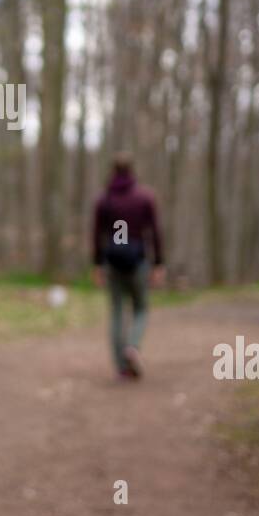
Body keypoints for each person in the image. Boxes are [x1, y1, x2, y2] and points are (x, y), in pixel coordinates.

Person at [91, 152, 165, 380]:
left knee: (116, 312)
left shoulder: (104, 199)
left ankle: (122, 367)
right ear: (132, 171)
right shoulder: (144, 197)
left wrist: (97, 264)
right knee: (141, 307)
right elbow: (154, 232)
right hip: (137, 261)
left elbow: (97, 235)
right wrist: (158, 263)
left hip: (112, 261)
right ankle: (133, 346)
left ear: (113, 171)